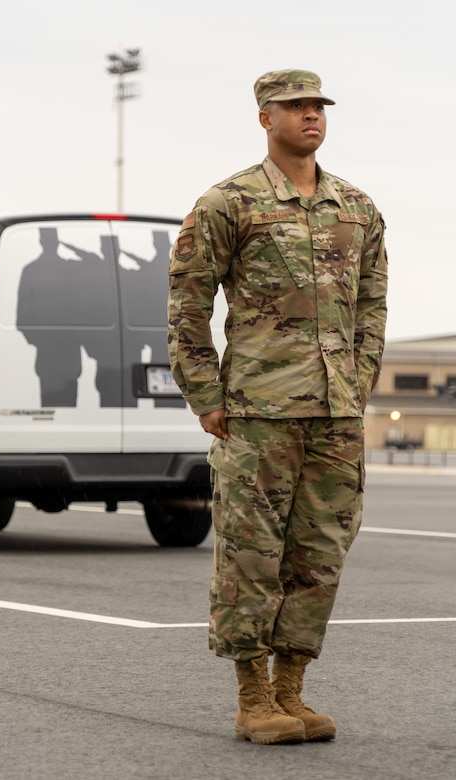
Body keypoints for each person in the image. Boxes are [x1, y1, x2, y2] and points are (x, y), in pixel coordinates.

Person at [167, 69, 388, 745]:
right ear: (266, 118)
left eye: (317, 106)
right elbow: (188, 302)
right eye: (296, 107)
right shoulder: (228, 202)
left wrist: (360, 378)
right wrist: (204, 393)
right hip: (257, 409)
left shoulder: (357, 206)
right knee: (250, 553)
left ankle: (291, 689)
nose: (311, 116)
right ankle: (252, 696)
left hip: (335, 414)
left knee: (320, 552)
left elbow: (372, 304)